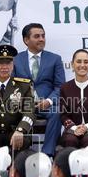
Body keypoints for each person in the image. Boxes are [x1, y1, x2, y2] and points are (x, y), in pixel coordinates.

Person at [14, 24, 65, 156]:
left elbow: (60, 86)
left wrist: (49, 101)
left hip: (46, 105)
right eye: (37, 36)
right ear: (26, 40)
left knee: (58, 111)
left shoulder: (55, 59)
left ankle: (46, 155)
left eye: (43, 36)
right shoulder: (15, 60)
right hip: (23, 105)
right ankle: (21, 155)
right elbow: (11, 86)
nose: (41, 39)